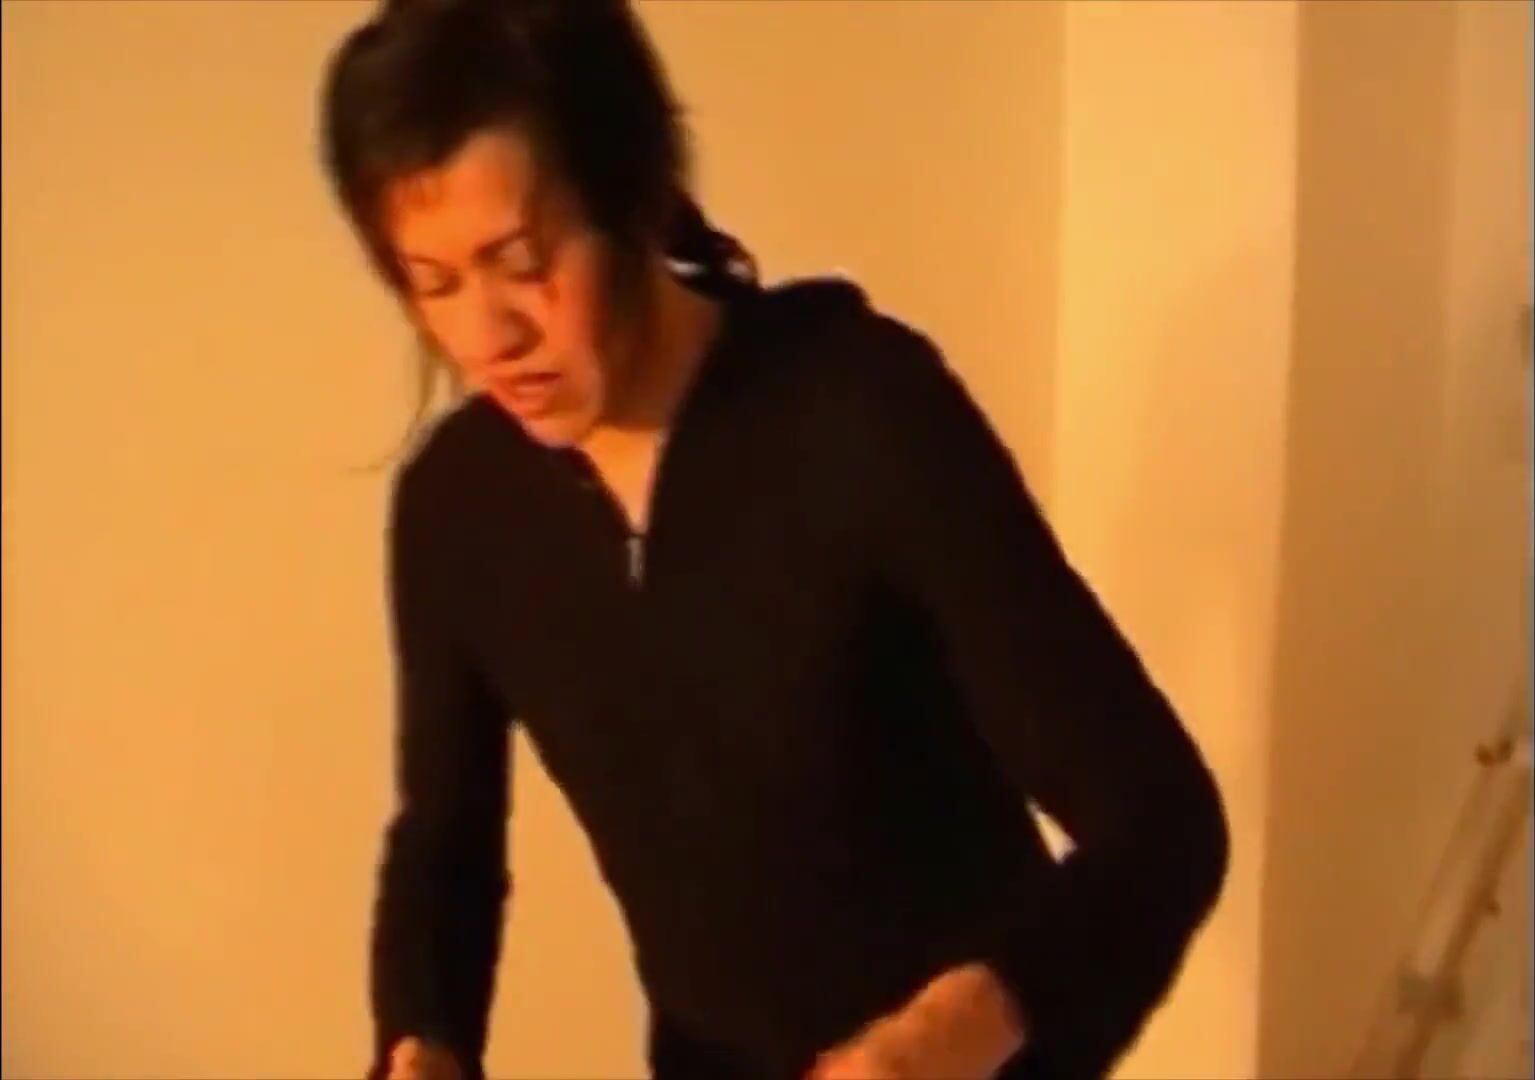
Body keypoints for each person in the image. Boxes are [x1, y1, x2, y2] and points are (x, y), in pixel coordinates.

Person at [318, 1, 1229, 1078]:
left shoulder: (856, 409)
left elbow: (1159, 824)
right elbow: (444, 849)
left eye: (522, 261)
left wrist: (939, 1038)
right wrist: (420, 1043)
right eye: (432, 283)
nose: (486, 334)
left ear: (630, 195)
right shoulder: (458, 505)